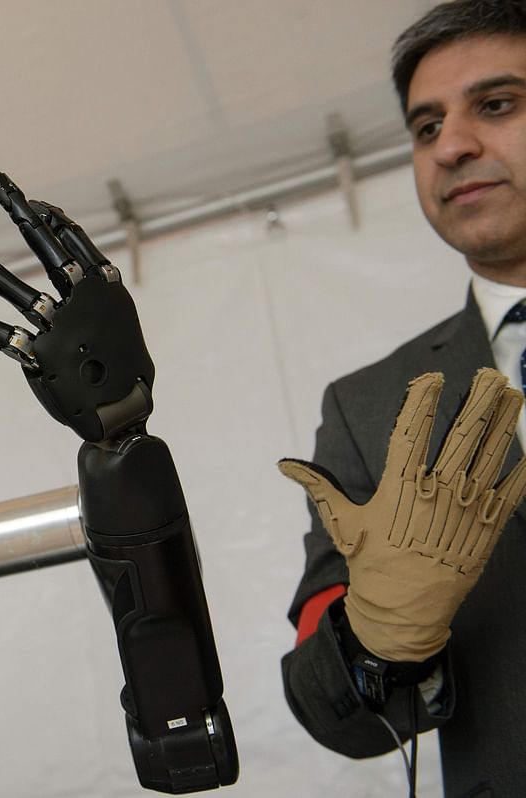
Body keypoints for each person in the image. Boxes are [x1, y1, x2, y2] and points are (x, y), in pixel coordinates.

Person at [280, 2, 526, 795]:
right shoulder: (367, 407)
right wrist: (378, 637)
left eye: (498, 104)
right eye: (425, 127)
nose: (452, 146)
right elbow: (329, 710)